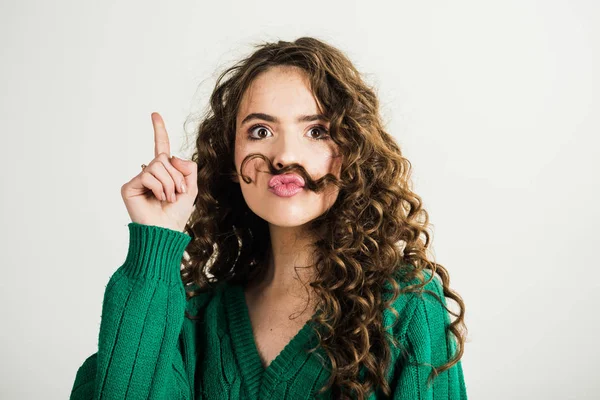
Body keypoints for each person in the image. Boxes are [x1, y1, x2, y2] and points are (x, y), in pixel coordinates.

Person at [69, 37, 468, 399]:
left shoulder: (406, 305)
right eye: (260, 131)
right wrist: (154, 244)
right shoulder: (193, 319)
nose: (284, 156)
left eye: (316, 131)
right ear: (229, 158)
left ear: (353, 153)